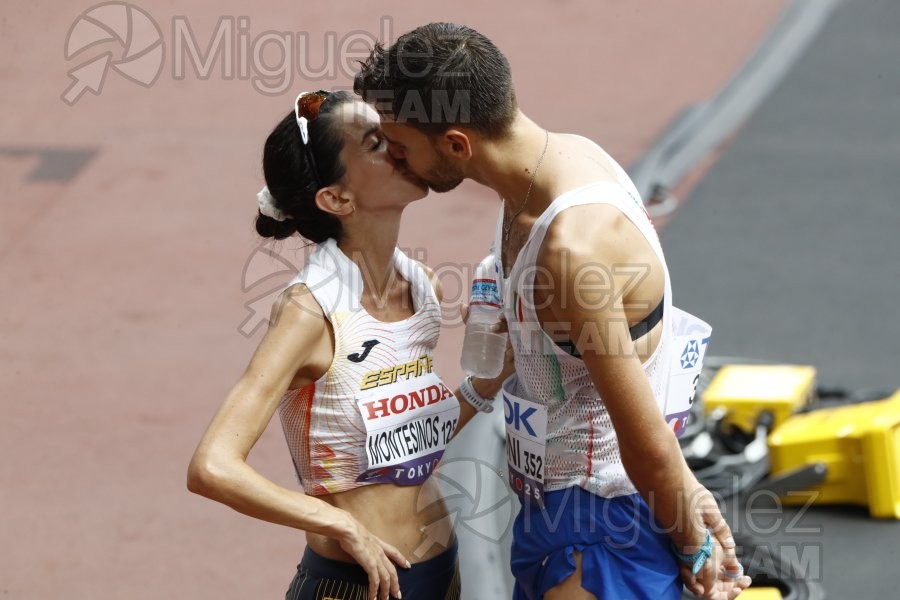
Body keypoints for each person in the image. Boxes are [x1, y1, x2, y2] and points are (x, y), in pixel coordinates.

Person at [354, 23, 753, 600]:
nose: (393, 156)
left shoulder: (572, 249)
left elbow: (644, 441)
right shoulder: (547, 167)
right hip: (551, 510)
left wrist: (695, 548)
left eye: (401, 144)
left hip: (602, 530)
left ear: (458, 144)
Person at [186, 89, 512, 600]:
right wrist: (338, 523)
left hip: (441, 576)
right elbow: (212, 467)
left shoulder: (423, 286)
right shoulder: (308, 312)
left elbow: (407, 447)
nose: (400, 147)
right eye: (376, 143)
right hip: (355, 586)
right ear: (337, 199)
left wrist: (485, 385)